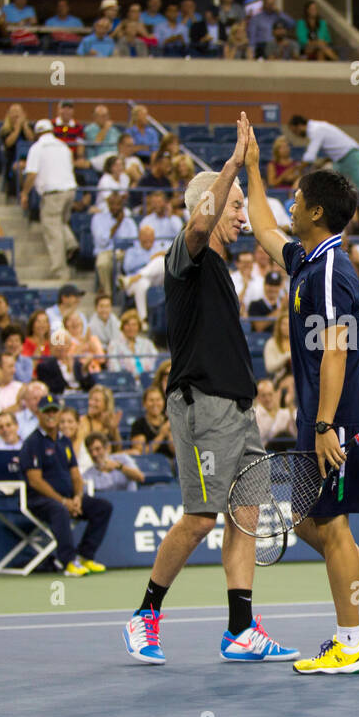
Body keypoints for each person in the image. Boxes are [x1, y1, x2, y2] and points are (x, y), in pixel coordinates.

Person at [242, 114, 359, 673]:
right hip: (320, 413)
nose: (288, 206)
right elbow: (262, 228)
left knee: (334, 525)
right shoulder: (307, 262)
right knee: (305, 519)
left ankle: (349, 642)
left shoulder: (329, 274)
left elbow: (338, 352)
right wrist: (249, 166)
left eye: (295, 199)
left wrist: (324, 427)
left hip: (335, 415)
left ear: (316, 212)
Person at [122, 128, 298, 666]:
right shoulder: (187, 256)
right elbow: (202, 221)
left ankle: (241, 629)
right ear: (210, 203)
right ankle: (145, 615)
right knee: (200, 517)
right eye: (235, 206)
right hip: (203, 407)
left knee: (245, 515)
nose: (243, 217)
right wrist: (233, 165)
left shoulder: (222, 269)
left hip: (240, 410)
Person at [19, 395, 113, 576]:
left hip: (68, 498)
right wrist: (63, 501)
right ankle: (69, 561)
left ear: (60, 413)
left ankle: (86, 556)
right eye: (47, 411)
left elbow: (76, 475)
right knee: (59, 510)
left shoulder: (65, 441)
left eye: (54, 410)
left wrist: (77, 497)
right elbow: (35, 480)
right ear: (38, 413)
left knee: (103, 508)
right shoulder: (32, 443)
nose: (51, 415)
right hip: (40, 501)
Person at [21, 120, 79, 281]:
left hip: (53, 193)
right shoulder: (63, 146)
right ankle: (70, 242)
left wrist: (24, 193)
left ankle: (60, 271)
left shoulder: (37, 148)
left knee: (52, 232)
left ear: (37, 133)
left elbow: (32, 174)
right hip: (70, 190)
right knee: (60, 222)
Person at [288, 114, 359, 191]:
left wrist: (298, 170)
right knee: (334, 186)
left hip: (351, 155)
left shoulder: (316, 129)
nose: (296, 134)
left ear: (300, 125)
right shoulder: (316, 128)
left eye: (295, 131)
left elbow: (310, 157)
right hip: (339, 161)